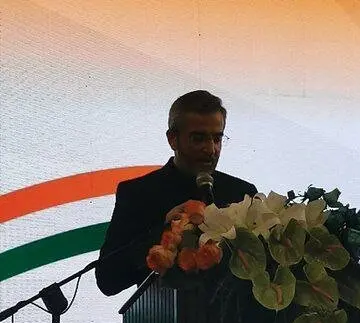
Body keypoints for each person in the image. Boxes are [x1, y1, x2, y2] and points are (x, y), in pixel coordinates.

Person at [96, 90, 257, 296]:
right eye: (198, 138)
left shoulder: (241, 193)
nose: (210, 149)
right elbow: (107, 280)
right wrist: (164, 231)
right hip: (162, 314)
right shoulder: (139, 193)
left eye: (217, 139)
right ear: (173, 139)